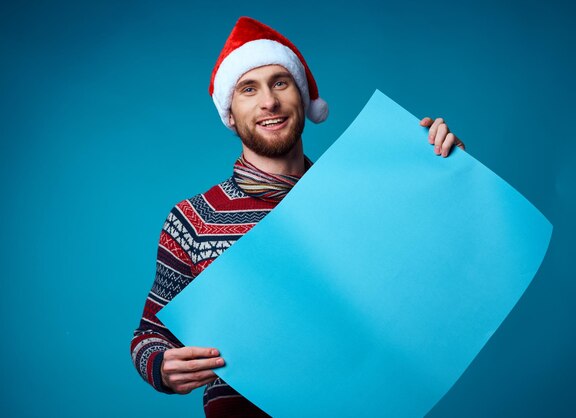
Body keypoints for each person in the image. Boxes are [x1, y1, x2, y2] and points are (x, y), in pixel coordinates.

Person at [130, 16, 465, 418]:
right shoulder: (193, 219)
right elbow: (150, 335)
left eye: (280, 83)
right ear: (231, 115)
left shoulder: (363, 198)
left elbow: (438, 269)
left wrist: (449, 172)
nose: (268, 101)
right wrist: (162, 367)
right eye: (248, 89)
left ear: (302, 99)